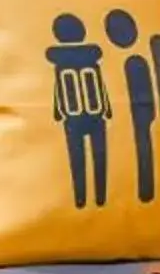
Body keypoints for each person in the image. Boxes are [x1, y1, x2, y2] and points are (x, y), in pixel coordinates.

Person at [47, 12, 112, 209]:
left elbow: (58, 89)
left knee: (80, 160)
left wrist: (58, 111)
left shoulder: (60, 64)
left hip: (73, 116)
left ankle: (83, 199)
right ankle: (96, 197)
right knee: (98, 157)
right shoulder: (91, 60)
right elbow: (101, 88)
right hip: (94, 114)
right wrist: (107, 108)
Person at [106, 8, 160, 205]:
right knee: (146, 147)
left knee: (148, 147)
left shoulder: (135, 60)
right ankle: (147, 189)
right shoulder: (135, 60)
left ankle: (147, 189)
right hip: (142, 115)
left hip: (145, 114)